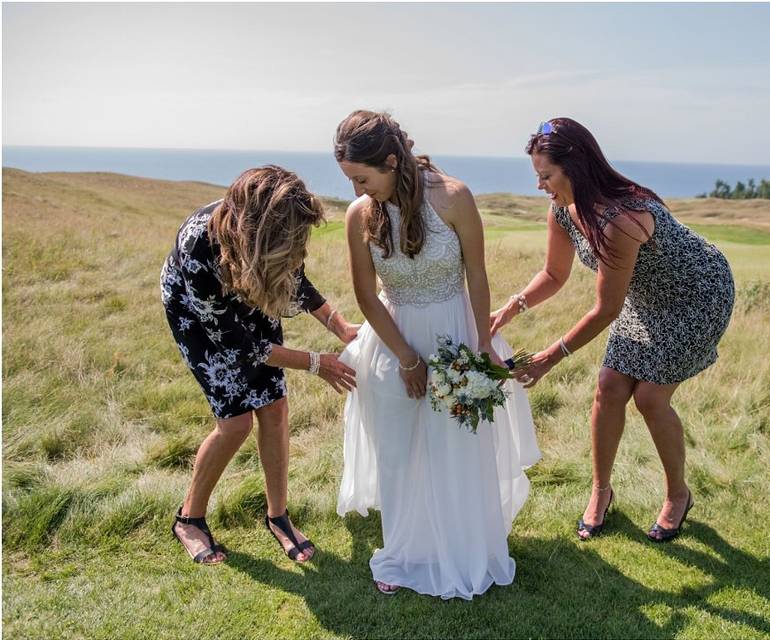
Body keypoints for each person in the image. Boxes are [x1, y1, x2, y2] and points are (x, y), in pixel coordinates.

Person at [491, 118, 734, 543]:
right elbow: (553, 272)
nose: (540, 185)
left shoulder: (621, 219)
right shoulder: (564, 210)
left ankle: (678, 495)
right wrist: (512, 308)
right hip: (645, 297)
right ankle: (601, 491)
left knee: (650, 397)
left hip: (696, 296)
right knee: (609, 386)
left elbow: (606, 310)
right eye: (537, 176)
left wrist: (549, 357)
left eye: (546, 175)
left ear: (575, 166)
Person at [333, 110, 540, 599]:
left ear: (389, 160)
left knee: (455, 443)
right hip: (391, 336)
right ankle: (405, 551)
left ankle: (465, 545)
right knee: (400, 450)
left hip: (455, 330)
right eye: (350, 182)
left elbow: (478, 276)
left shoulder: (454, 197)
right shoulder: (359, 214)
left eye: (363, 178)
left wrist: (482, 344)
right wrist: (406, 358)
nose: (359, 191)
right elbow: (365, 296)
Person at [161, 165, 359, 564]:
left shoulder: (272, 240)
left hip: (253, 290)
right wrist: (316, 362)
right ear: (258, 228)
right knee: (235, 423)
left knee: (275, 409)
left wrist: (339, 326)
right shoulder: (197, 246)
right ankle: (189, 518)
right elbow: (239, 346)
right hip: (199, 318)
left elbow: (295, 279)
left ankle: (278, 517)